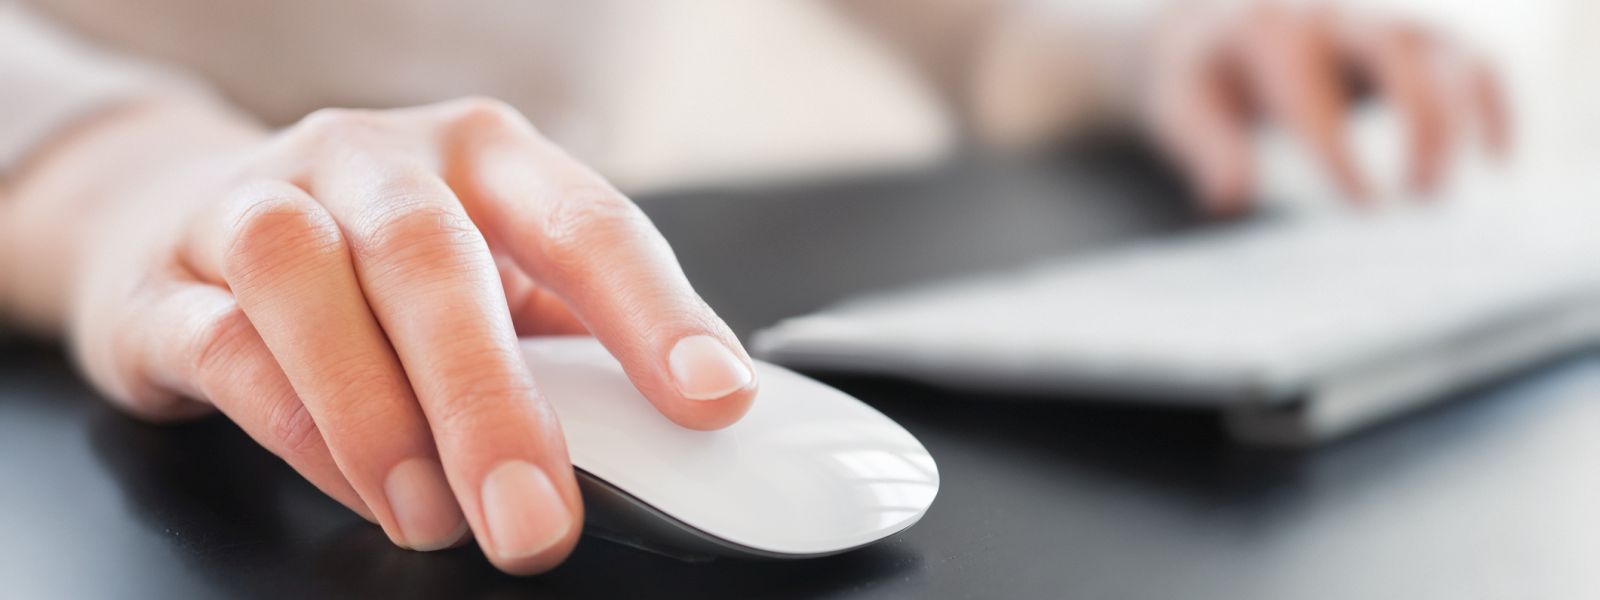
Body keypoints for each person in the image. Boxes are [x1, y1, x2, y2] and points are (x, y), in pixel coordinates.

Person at [0, 0, 1508, 574]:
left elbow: (976, 25)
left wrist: (1156, 37)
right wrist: (115, 171)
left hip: (533, 307)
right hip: (119, 318)